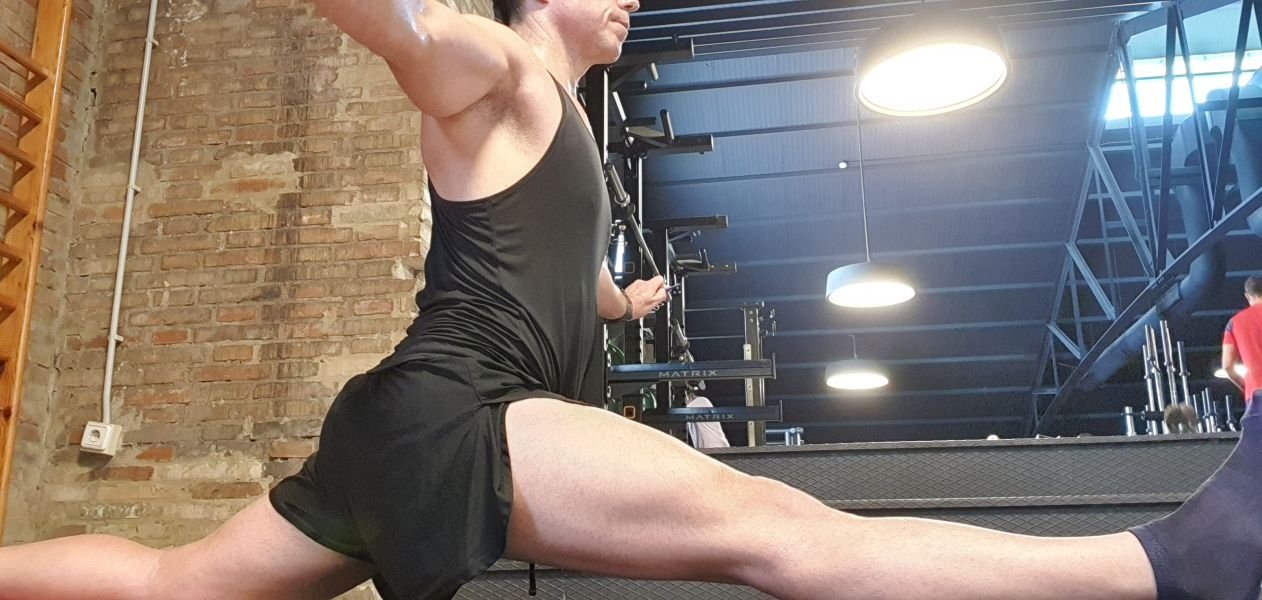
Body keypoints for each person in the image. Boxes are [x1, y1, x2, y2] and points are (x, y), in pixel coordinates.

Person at [2, 0, 1262, 598]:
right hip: (461, 408)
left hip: (403, 421)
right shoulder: (504, 73)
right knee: (777, 529)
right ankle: (1161, 565)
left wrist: (621, 299)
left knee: (174, 588)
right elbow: (406, 34)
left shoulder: (562, 134)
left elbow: (553, 274)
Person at [1224, 275, 1262, 407]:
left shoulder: (1234, 323)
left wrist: (1246, 385)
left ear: (1247, 296)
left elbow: (1227, 366)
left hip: (1256, 393)